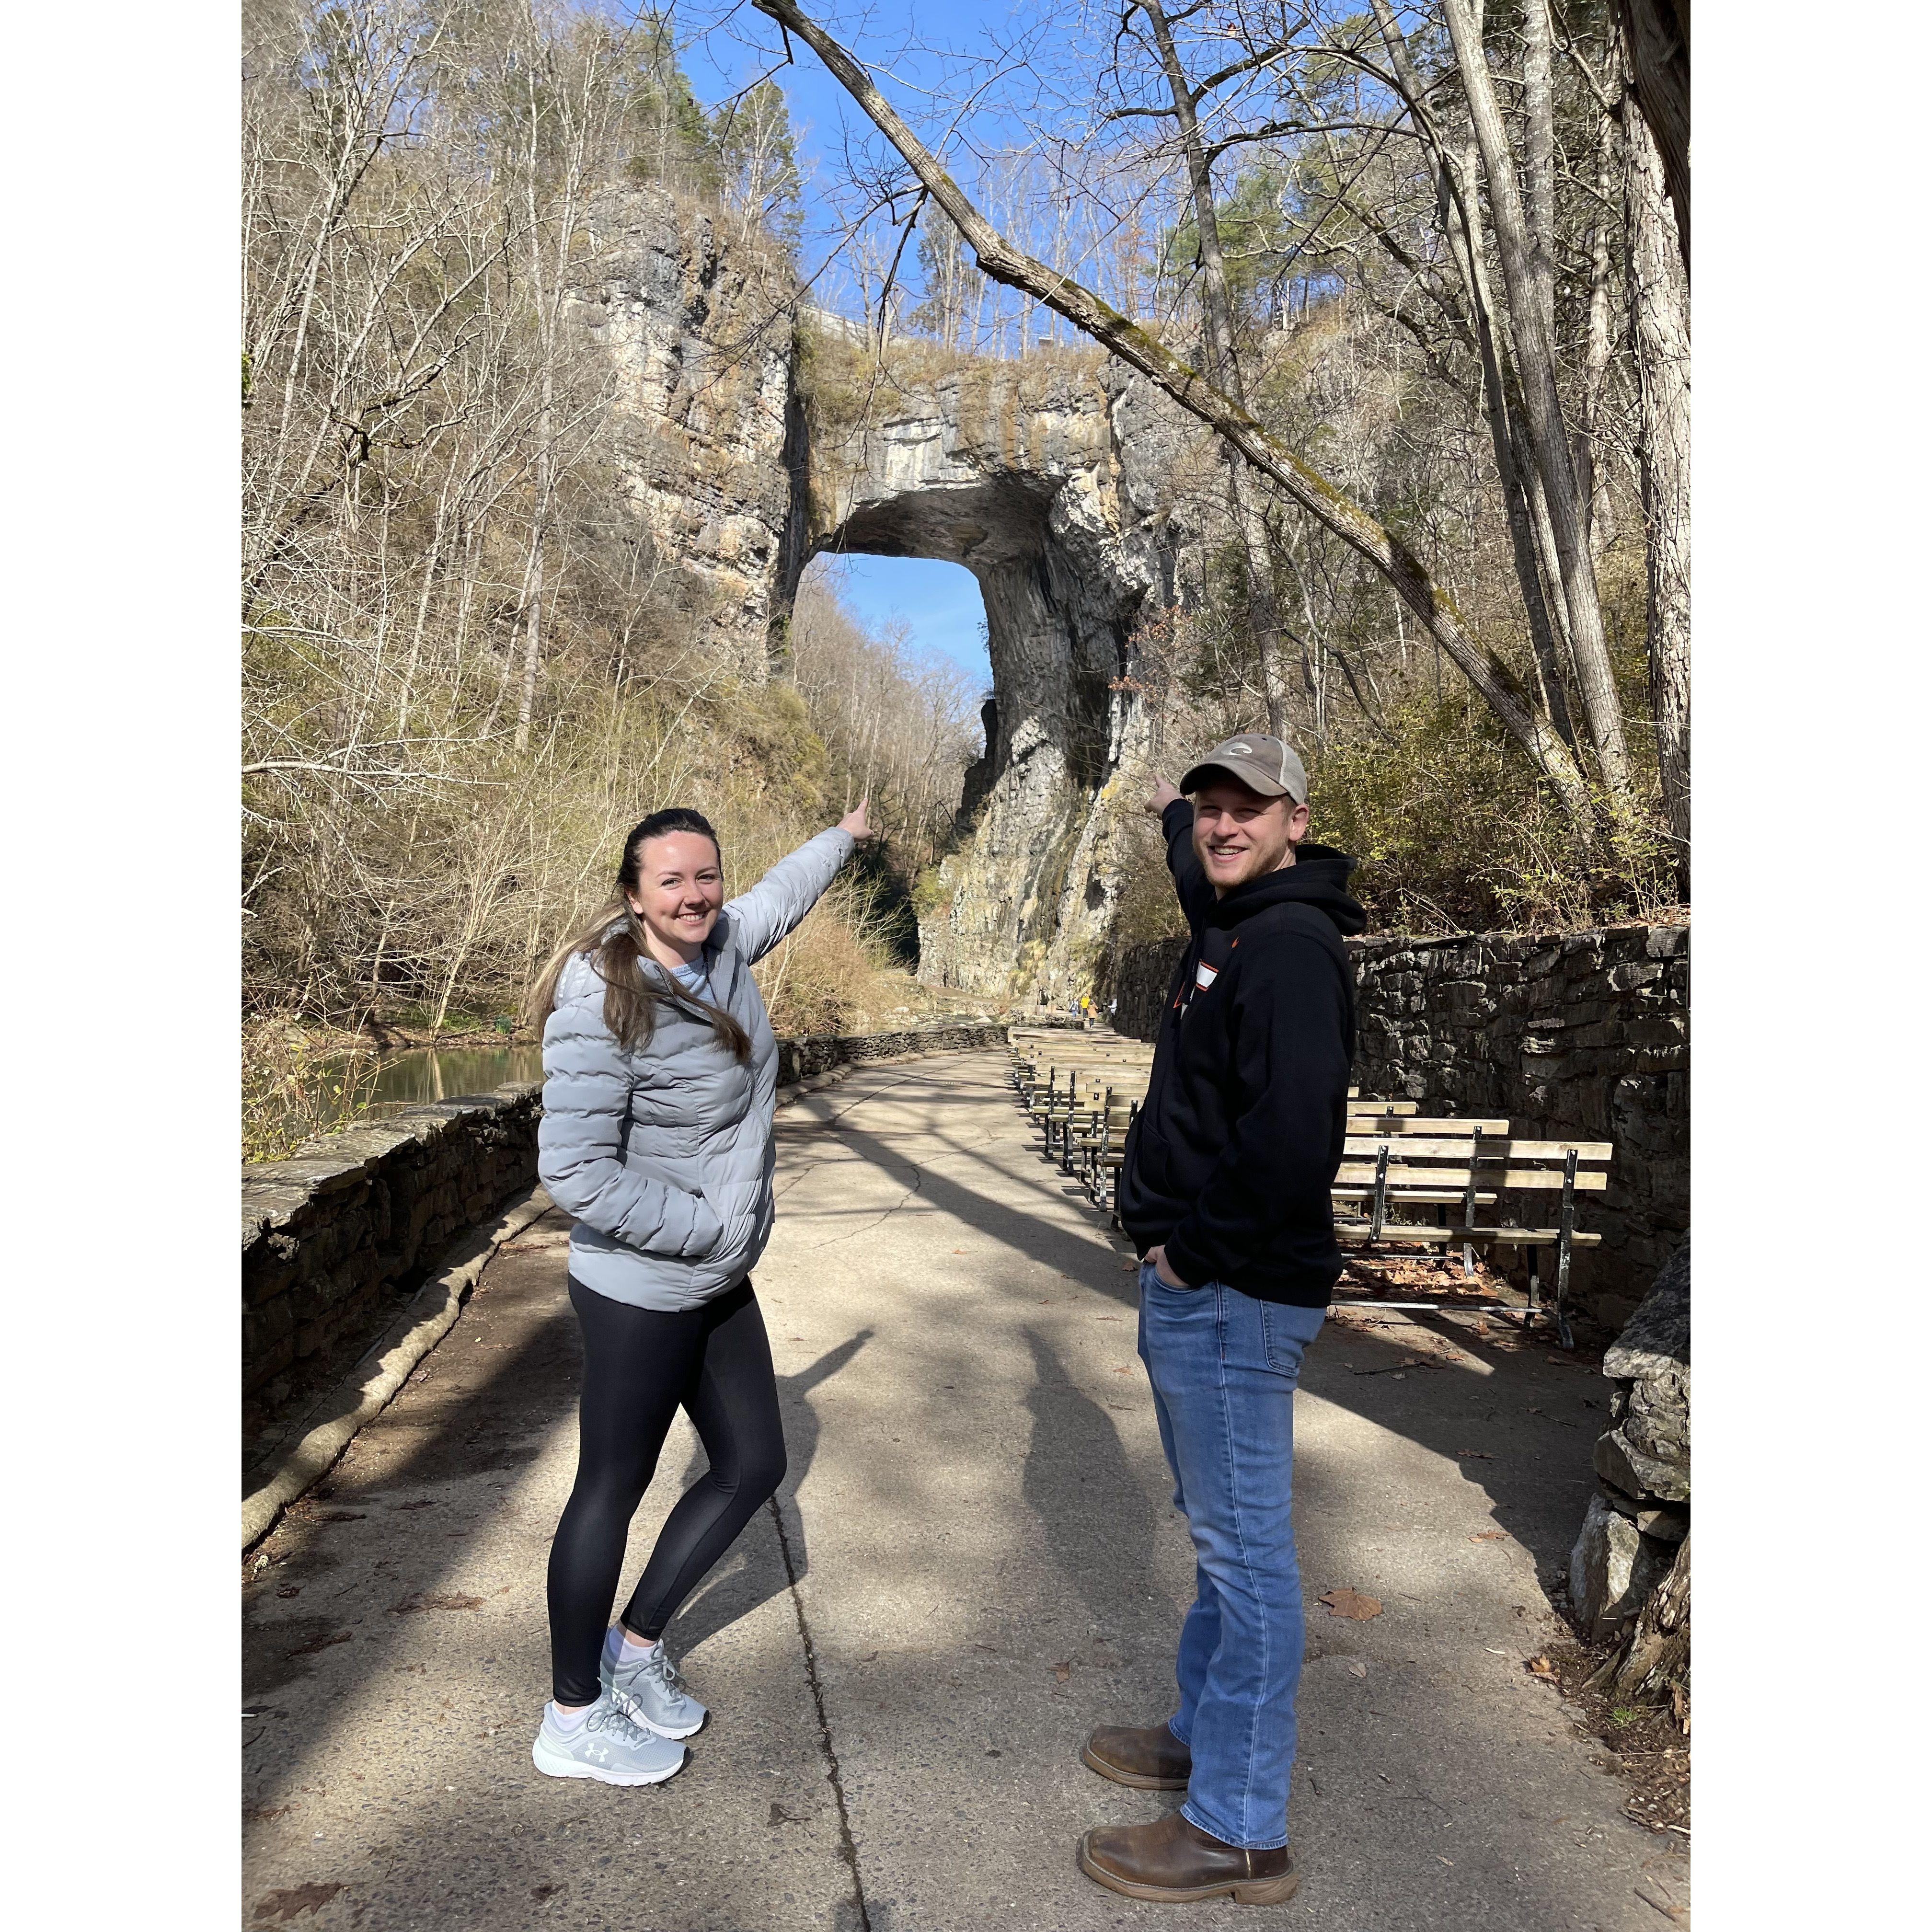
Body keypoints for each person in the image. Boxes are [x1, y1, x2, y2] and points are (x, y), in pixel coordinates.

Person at [523, 801, 870, 1786]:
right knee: (612, 1490)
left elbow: (782, 895)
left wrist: (843, 838)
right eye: (671, 879)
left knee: (753, 1461)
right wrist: (709, 1231)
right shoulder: (602, 999)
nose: (695, 894)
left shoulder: (723, 945)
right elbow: (576, 1172)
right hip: (640, 1286)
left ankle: (632, 1652)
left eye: (705, 875)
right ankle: (571, 1717)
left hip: (714, 1277)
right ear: (633, 893)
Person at [1078, 735, 1364, 1905]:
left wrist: (1189, 1259)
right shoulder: (1237, 919)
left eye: (1250, 806)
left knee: (1247, 1561)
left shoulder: (1291, 950)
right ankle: (1204, 1736)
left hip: (1233, 1297)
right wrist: (1167, 818)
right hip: (1208, 1293)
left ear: (1299, 819)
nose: (1223, 823)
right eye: (1210, 806)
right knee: (1220, 1537)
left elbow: (1297, 1145)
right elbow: (1202, 874)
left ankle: (1240, 1828)